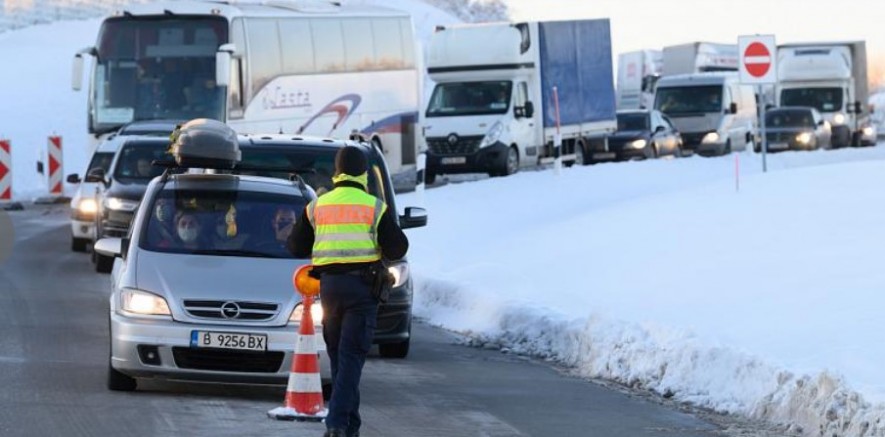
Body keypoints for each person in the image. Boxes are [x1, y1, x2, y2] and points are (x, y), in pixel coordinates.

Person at [288, 146, 409, 437]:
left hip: (329, 289)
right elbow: (399, 247)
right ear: (363, 174)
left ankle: (350, 426)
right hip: (362, 289)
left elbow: (295, 246)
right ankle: (337, 424)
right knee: (352, 356)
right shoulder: (374, 206)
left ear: (336, 173)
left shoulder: (317, 206)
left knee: (341, 357)